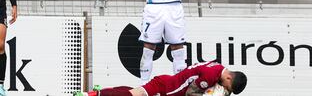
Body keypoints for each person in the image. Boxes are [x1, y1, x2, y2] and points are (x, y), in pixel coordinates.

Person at [74, 61, 247, 96]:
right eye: (227, 88)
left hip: (167, 83)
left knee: (134, 92)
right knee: (135, 95)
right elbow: (190, 94)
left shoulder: (217, 66)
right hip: (167, 89)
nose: (224, 89)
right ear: (229, 79)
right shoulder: (211, 76)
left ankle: (97, 93)